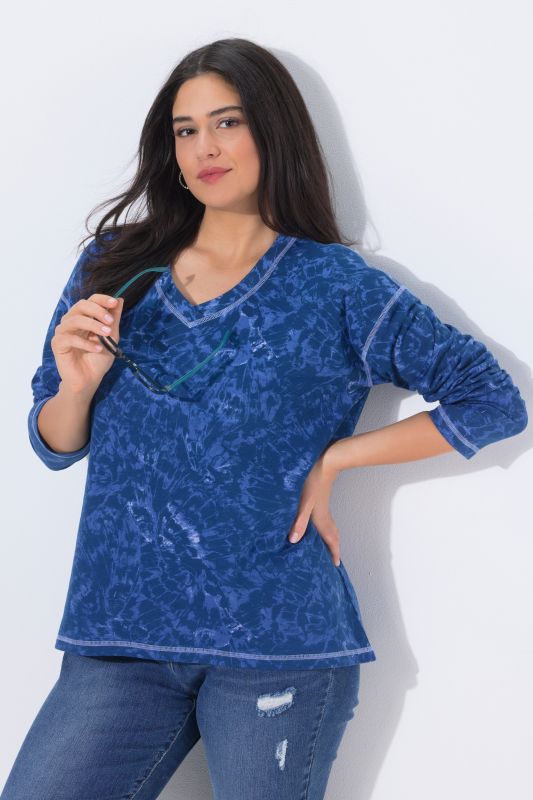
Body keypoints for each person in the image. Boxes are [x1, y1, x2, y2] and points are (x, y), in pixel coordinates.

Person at [1, 36, 528, 800]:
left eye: (227, 122)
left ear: (272, 130)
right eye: (186, 130)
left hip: (275, 642)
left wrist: (338, 458)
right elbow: (53, 444)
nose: (204, 148)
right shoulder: (112, 266)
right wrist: (77, 387)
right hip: (118, 638)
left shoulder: (336, 286)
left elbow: (492, 398)